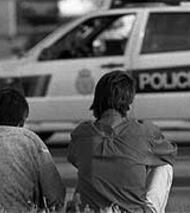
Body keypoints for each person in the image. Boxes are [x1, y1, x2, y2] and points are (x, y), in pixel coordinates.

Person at [67, 70, 177, 212]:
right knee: (164, 165)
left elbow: (75, 159)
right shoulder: (144, 132)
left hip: (89, 209)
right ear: (129, 102)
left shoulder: (81, 134)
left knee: (89, 167)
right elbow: (170, 155)